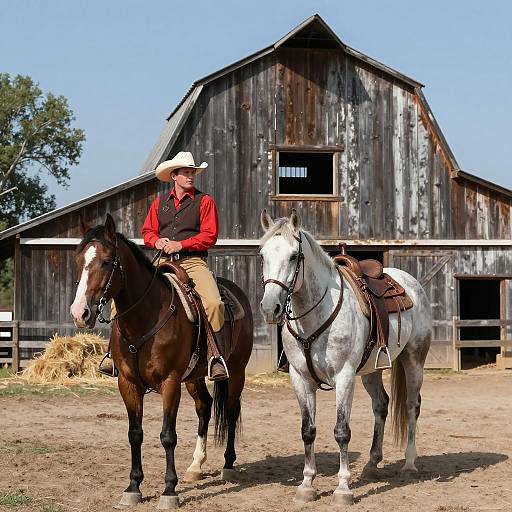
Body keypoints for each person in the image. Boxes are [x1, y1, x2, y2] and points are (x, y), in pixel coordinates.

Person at [143, 151, 228, 381]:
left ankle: (215, 357)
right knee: (127, 295)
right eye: (186, 173)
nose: (190, 176)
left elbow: (210, 236)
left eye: (192, 172)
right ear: (174, 176)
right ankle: (115, 354)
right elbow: (147, 232)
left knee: (213, 303)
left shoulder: (205, 201)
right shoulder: (160, 203)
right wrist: (156, 241)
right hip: (162, 260)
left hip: (192, 261)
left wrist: (181, 244)